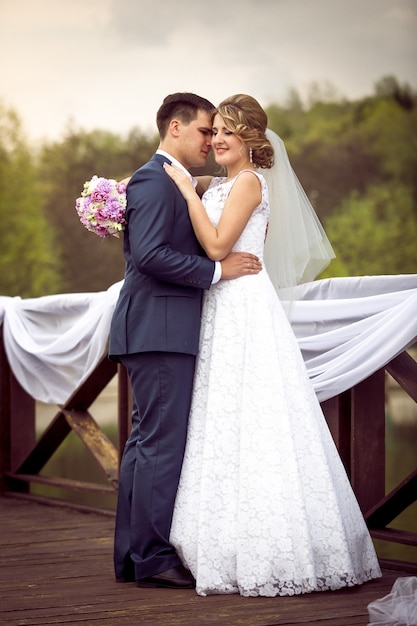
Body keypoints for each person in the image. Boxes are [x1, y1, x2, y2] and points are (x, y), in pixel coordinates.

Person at [164, 94, 382, 597]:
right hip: (221, 306)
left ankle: (283, 547)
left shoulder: (249, 182)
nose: (216, 139)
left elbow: (219, 247)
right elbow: (200, 191)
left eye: (228, 132)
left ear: (251, 139)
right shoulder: (221, 182)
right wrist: (164, 180)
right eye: (213, 130)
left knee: (260, 416)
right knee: (225, 418)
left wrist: (185, 187)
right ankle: (221, 542)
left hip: (243, 305)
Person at [108, 92, 262, 589]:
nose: (209, 140)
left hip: (156, 326)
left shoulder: (162, 178)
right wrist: (216, 270)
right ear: (175, 127)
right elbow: (151, 255)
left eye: (220, 132)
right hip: (161, 327)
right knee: (159, 445)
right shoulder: (156, 180)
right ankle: (152, 558)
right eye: (203, 130)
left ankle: (133, 557)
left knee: (144, 442)